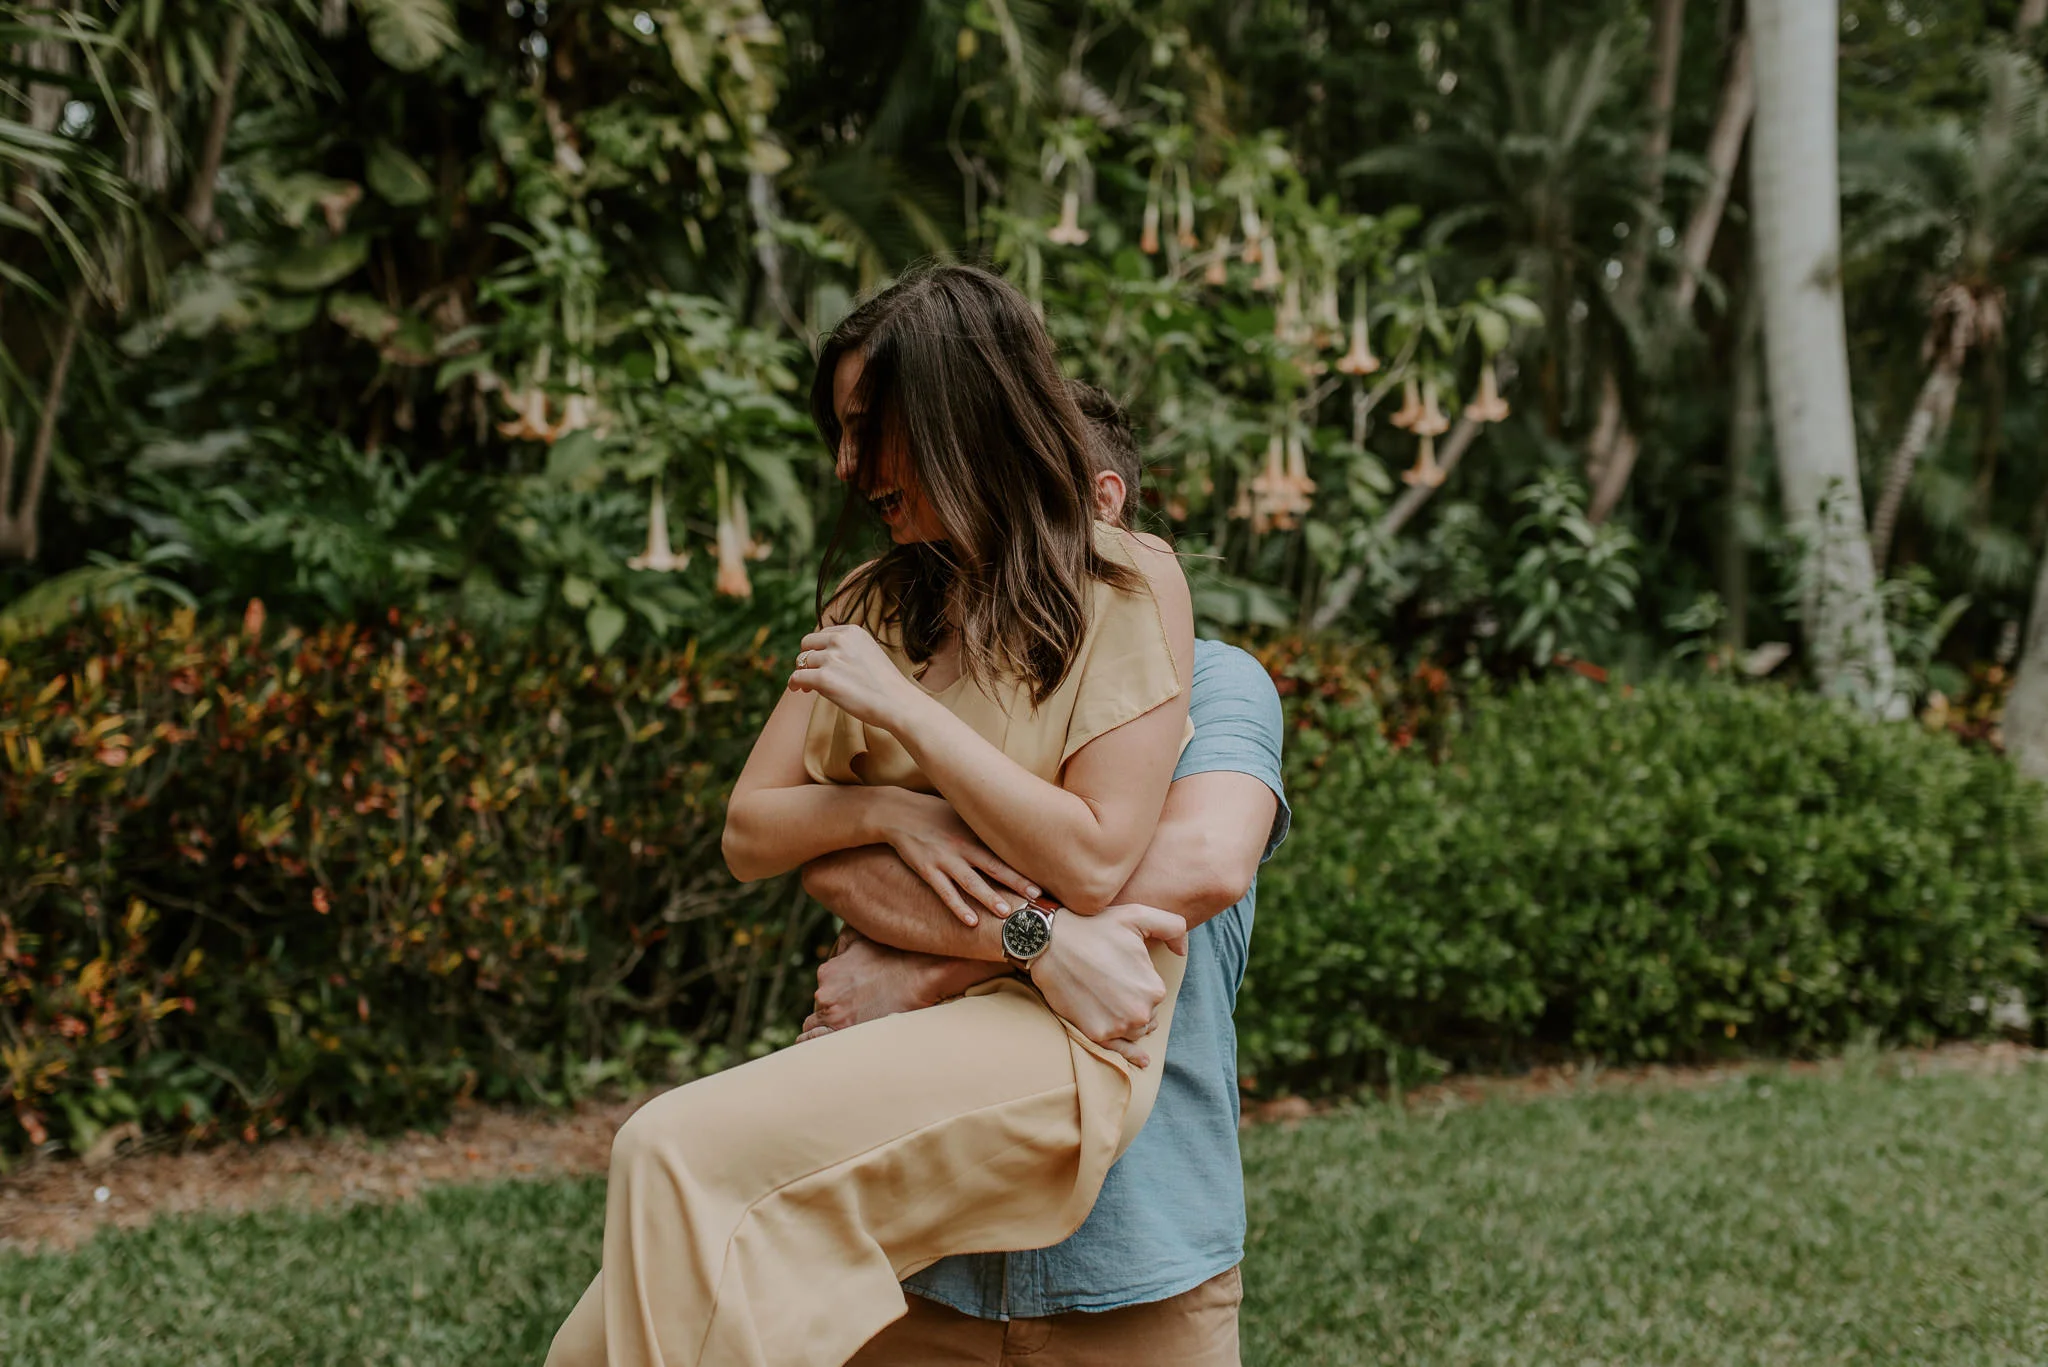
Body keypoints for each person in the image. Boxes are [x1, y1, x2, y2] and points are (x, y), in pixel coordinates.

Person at [546, 267, 1200, 1367]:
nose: (848, 467)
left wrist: (899, 715)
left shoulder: (1121, 578)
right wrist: (887, 809)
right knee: (592, 1343)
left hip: (1064, 1040)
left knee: (664, 1145)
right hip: (901, 1023)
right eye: (841, 434)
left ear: (953, 412)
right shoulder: (873, 601)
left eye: (868, 430)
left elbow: (1093, 857)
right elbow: (755, 831)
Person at [807, 381, 1290, 1366]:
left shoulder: (1212, 676)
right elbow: (833, 860)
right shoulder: (936, 682)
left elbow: (1200, 859)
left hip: (1140, 1253)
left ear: (1103, 504)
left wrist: (933, 964)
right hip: (916, 1244)